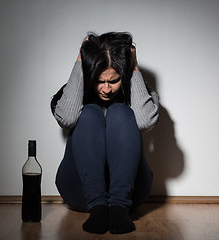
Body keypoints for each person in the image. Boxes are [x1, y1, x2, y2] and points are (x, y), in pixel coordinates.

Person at [50, 32, 159, 234]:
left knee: (120, 111)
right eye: (100, 81)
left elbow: (145, 122)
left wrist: (133, 67)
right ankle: (98, 207)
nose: (106, 89)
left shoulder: (141, 92)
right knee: (89, 112)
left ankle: (118, 208)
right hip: (80, 191)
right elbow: (66, 118)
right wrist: (81, 60)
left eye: (114, 80)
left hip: (130, 194)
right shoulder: (73, 91)